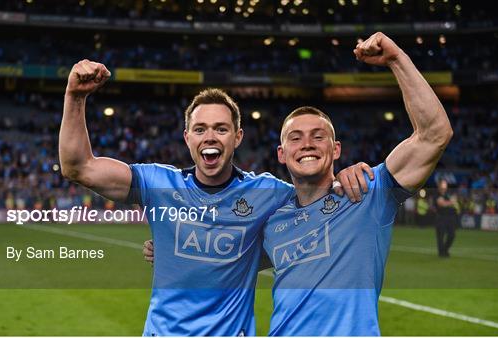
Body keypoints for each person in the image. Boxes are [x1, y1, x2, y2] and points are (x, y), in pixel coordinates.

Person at [145, 32, 452, 335]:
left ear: (336, 150)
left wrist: (397, 59)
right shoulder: (274, 221)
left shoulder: (366, 192)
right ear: (282, 154)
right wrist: (174, 250)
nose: (307, 144)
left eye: (318, 136)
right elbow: (228, 257)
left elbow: (434, 135)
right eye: (295, 137)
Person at [59, 61, 370, 336]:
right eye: (200, 129)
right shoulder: (158, 183)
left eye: (221, 129)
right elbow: (79, 167)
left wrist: (345, 173)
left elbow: (315, 199)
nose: (210, 137)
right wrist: (75, 97)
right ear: (187, 137)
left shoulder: (268, 193)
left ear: (237, 137)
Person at [434, 179, 457, 257]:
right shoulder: (437, 194)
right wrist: (450, 202)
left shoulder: (448, 194)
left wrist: (449, 202)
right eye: (443, 184)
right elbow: (441, 204)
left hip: (450, 217)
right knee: (441, 236)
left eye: (445, 184)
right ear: (439, 186)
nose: (444, 186)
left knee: (452, 235)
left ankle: (445, 249)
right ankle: (442, 253)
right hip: (441, 217)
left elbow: (454, 201)